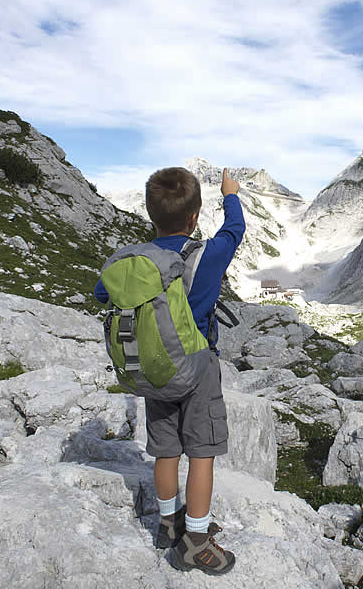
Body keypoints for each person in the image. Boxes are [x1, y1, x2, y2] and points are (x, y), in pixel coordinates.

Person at [94, 167, 245, 575]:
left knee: (165, 449)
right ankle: (196, 542)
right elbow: (235, 231)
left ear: (149, 214)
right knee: (201, 452)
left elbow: (101, 292)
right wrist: (230, 194)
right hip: (198, 368)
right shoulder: (203, 256)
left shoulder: (133, 261)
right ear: (194, 218)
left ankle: (168, 524)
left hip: (156, 369)